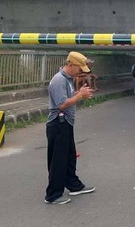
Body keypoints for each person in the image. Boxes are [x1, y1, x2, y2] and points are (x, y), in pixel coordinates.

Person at [44, 51, 96, 205]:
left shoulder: (67, 79)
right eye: (79, 69)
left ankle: (74, 185)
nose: (80, 73)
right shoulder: (59, 80)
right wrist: (79, 96)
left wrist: (79, 93)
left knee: (69, 157)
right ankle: (52, 195)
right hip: (58, 123)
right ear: (70, 64)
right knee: (58, 160)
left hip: (66, 123)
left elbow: (68, 98)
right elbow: (62, 104)